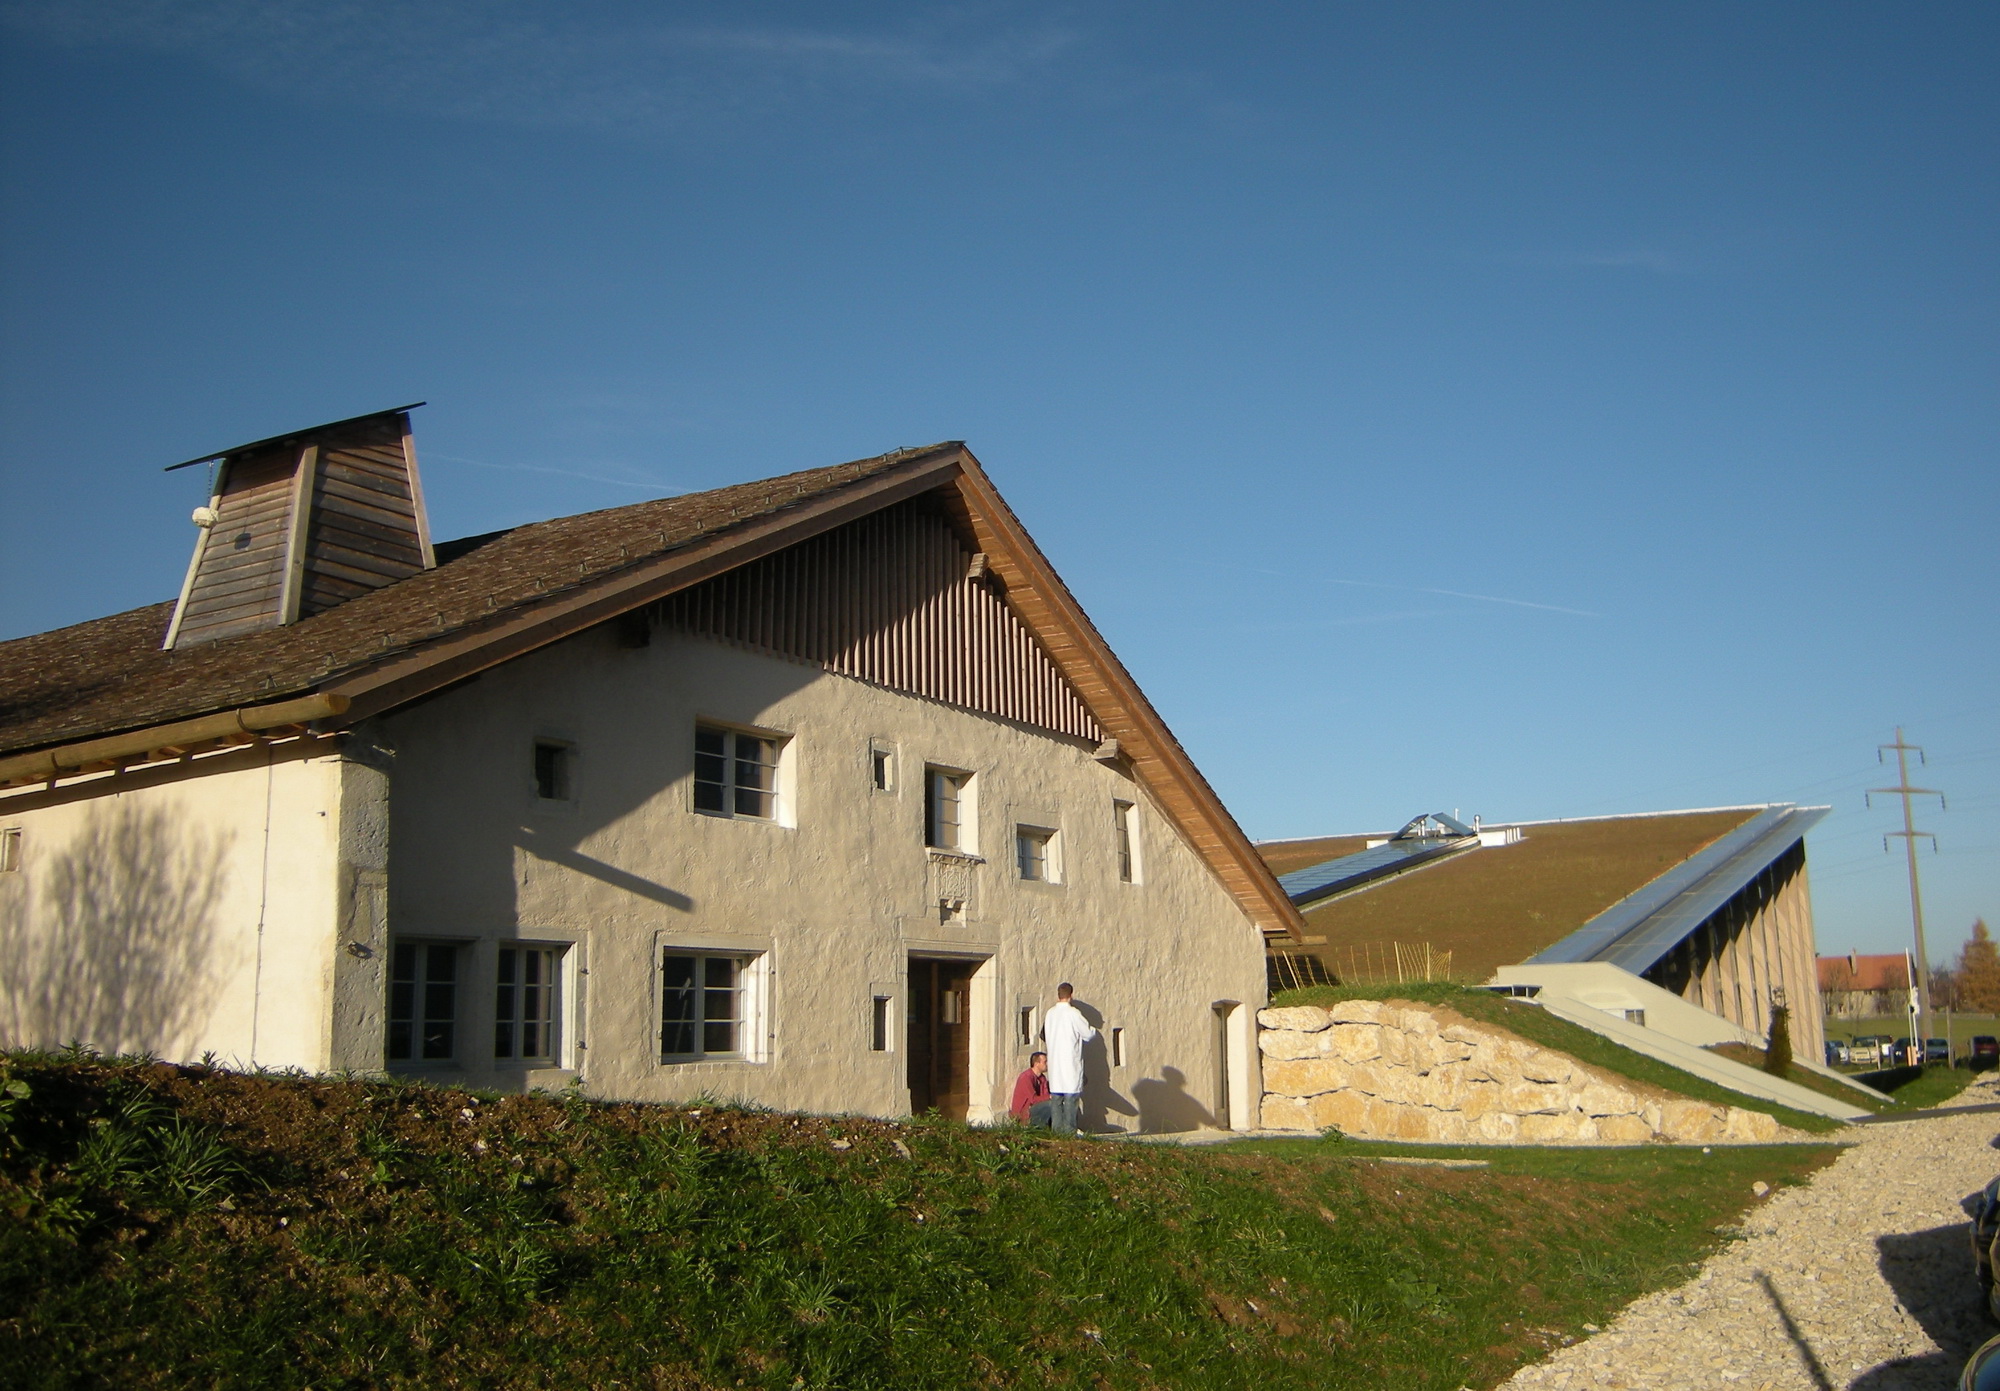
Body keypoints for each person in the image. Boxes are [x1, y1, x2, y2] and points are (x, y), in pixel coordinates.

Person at [1042, 982, 1096, 1136]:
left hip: (1055, 1062)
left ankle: (1057, 1132)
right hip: (1070, 1062)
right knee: (1071, 1099)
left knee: (1056, 1099)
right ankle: (1069, 1132)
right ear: (1071, 995)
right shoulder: (1073, 1013)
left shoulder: (1050, 1013)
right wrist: (1093, 1030)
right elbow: (1088, 1034)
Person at [1010, 1051, 1053, 1127]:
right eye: (1045, 1062)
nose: (1047, 1064)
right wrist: (1050, 1097)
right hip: (1023, 1113)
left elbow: (1044, 1095)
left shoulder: (1042, 1078)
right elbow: (1033, 1099)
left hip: (1034, 1108)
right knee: (1051, 1104)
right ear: (1036, 1064)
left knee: (1056, 1104)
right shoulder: (1026, 1077)